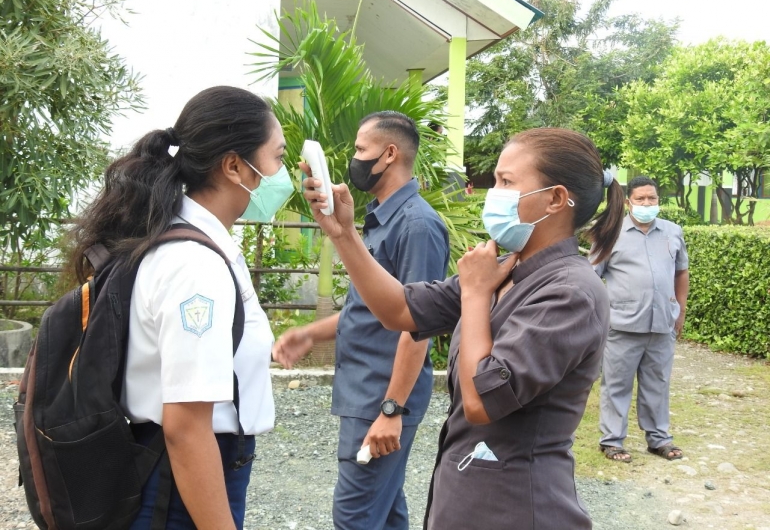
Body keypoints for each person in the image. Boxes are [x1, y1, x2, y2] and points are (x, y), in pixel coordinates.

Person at [296, 127, 626, 529]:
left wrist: (473, 296)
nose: (494, 193)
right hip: (468, 496)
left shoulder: (571, 292)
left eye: (506, 182)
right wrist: (344, 233)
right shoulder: (505, 269)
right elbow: (398, 310)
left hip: (517, 507)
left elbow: (481, 401)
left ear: (555, 199)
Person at [69, 86, 290, 529]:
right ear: (233, 166)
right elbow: (186, 429)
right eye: (278, 158)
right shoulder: (195, 266)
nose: (283, 174)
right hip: (178, 482)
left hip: (173, 471)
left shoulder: (192, 241)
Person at [272, 111, 449, 530]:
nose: (353, 159)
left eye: (359, 149)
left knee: (354, 516)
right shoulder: (376, 220)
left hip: (382, 395)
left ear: (389, 154)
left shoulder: (417, 225)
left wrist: (392, 409)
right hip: (368, 390)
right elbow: (370, 310)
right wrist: (310, 333)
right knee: (385, 512)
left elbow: (416, 324)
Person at [593, 176, 689, 463]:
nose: (647, 204)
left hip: (662, 324)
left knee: (658, 383)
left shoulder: (672, 232)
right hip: (622, 324)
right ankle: (612, 441)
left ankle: (658, 439)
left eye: (652, 199)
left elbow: (681, 272)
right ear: (628, 202)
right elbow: (592, 277)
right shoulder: (610, 232)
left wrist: (680, 311)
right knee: (617, 385)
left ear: (659, 200)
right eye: (641, 199)